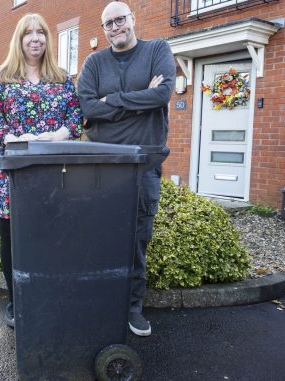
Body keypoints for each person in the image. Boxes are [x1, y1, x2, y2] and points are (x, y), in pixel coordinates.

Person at [77, 1, 176, 337]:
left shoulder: (157, 49)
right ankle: (102, 303)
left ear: (132, 19)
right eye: (108, 24)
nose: (115, 27)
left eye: (120, 19)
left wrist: (112, 103)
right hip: (102, 165)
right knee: (100, 237)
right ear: (103, 30)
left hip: (144, 165)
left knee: (136, 241)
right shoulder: (94, 62)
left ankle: (133, 308)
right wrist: (138, 100)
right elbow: (86, 107)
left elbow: (162, 94)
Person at [0, 13, 83, 328]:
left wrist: (57, 136)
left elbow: (76, 118)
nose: (36, 38)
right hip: (13, 174)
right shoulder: (1, 77)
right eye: (29, 33)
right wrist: (18, 139)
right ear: (20, 39)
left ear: (47, 39)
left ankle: (48, 296)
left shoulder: (62, 78)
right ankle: (16, 300)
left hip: (54, 175)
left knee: (51, 238)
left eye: (41, 32)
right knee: (12, 241)